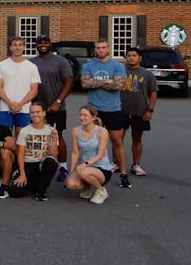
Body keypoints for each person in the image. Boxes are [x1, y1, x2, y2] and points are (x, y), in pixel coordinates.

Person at [81, 40, 128, 186]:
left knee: (117, 141)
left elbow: (118, 86)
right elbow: (84, 84)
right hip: (93, 110)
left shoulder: (118, 66)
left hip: (113, 109)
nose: (101, 50)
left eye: (103, 47)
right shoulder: (88, 66)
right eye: (98, 48)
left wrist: (96, 82)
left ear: (108, 49)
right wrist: (106, 82)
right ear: (95, 50)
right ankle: (91, 171)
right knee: (91, 142)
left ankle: (123, 174)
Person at [31, 34, 74, 181]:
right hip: (36, 108)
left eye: (46, 42)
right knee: (38, 137)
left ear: (50, 44)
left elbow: (69, 82)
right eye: (40, 42)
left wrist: (58, 101)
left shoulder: (60, 61)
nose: (43, 45)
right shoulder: (32, 62)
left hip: (56, 107)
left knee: (57, 136)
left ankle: (63, 168)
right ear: (36, 45)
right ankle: (39, 165)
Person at [121, 47, 158, 184]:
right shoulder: (120, 71)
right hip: (121, 110)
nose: (131, 58)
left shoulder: (147, 75)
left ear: (139, 58)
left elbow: (153, 93)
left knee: (137, 138)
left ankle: (136, 164)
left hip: (139, 111)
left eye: (134, 55)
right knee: (118, 139)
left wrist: (150, 110)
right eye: (129, 55)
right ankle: (116, 163)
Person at [64, 104, 114, 205]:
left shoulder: (102, 131)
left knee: (83, 172)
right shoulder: (76, 131)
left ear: (93, 117)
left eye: (85, 115)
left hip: (102, 169)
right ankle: (87, 185)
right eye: (81, 115)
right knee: (70, 183)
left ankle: (101, 191)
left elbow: (100, 154)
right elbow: (75, 153)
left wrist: (86, 164)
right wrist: (72, 171)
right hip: (86, 167)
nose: (82, 117)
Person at [10, 102, 59, 200]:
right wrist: (22, 174)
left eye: (38, 112)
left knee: (51, 162)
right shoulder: (24, 130)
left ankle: (41, 190)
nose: (35, 115)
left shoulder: (51, 130)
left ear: (44, 113)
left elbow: (53, 155)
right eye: (32, 112)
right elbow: (20, 154)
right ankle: (32, 184)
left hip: (42, 164)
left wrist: (54, 139)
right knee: (15, 193)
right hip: (28, 163)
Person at [0, 37, 40, 130]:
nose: (17, 47)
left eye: (20, 45)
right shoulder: (2, 65)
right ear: (10, 47)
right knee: (7, 140)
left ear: (24, 47)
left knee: (21, 140)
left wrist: (19, 104)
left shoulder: (32, 67)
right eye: (14, 45)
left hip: (25, 108)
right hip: (5, 107)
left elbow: (34, 90)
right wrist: (10, 103)